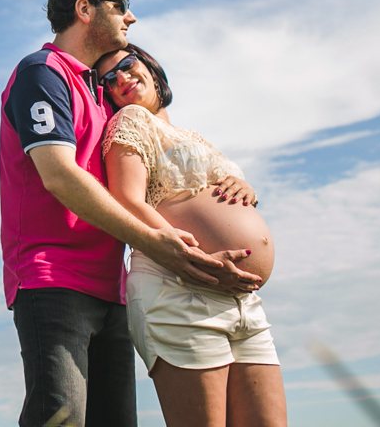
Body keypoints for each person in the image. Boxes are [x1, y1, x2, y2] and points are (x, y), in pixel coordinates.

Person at [0, 0, 261, 427]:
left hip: (112, 286)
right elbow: (58, 174)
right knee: (60, 419)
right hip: (54, 278)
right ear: (85, 9)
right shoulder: (42, 72)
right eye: (120, 5)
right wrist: (158, 243)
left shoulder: (103, 95)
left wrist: (224, 184)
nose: (131, 17)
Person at [95, 44, 287, 427]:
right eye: (108, 80)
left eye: (127, 65)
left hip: (242, 300)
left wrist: (243, 187)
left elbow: (215, 192)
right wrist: (198, 260)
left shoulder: (189, 134)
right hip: (180, 289)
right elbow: (127, 201)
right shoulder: (130, 120)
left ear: (150, 66)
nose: (121, 79)